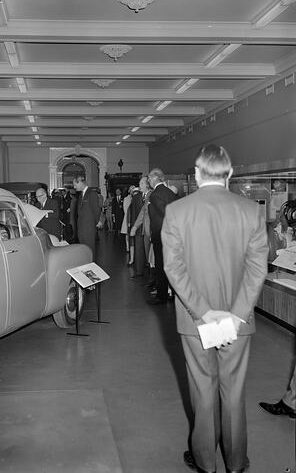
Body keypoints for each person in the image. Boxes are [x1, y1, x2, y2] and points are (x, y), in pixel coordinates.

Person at [161, 144, 268, 473]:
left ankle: (206, 463)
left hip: (195, 323)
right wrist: (234, 315)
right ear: (230, 173)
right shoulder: (251, 211)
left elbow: (173, 269)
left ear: (196, 174)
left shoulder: (177, 211)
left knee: (203, 392)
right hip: (239, 322)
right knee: (233, 393)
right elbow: (256, 269)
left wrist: (205, 313)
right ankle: (236, 464)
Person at [147, 167, 177, 305]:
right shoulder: (169, 192)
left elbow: (166, 214)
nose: (148, 180)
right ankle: (173, 293)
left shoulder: (155, 194)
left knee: (160, 265)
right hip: (171, 234)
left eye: (149, 178)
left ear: (156, 178)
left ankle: (162, 295)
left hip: (161, 234)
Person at [72, 174, 101, 259]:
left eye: (75, 184)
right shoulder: (81, 195)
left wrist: (95, 223)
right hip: (81, 229)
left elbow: (96, 210)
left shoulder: (92, 194)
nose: (74, 187)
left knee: (90, 251)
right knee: (84, 251)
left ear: (80, 182)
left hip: (89, 229)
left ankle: (91, 269)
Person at [128, 184, 144, 277]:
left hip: (140, 226)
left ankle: (140, 269)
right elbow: (133, 213)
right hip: (138, 226)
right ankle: (139, 269)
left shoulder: (137, 198)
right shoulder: (137, 198)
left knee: (138, 248)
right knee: (137, 247)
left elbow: (133, 213)